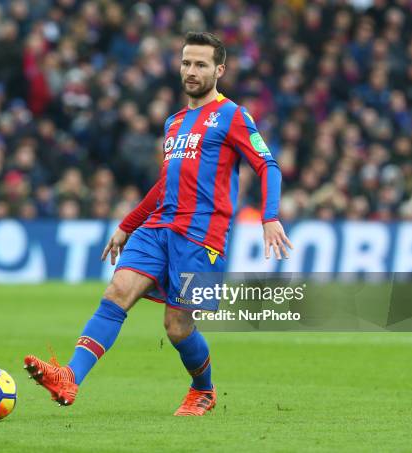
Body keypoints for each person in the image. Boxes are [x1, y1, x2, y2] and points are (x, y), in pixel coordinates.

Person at [23, 31, 293, 416]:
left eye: (201, 64)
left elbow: (267, 165)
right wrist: (127, 224)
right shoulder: (174, 122)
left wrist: (270, 217)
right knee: (117, 291)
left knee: (177, 328)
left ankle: (203, 389)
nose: (191, 71)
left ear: (220, 69)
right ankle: (70, 377)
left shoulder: (232, 115)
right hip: (158, 228)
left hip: (201, 236)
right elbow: (165, 183)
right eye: (186, 63)